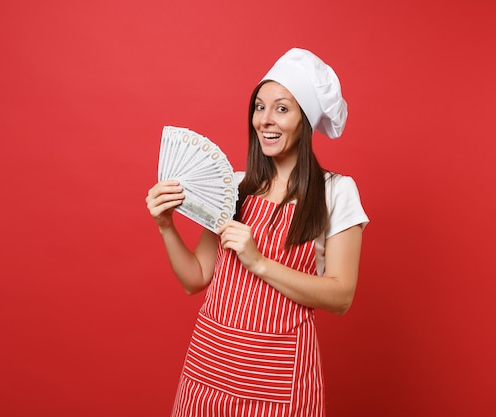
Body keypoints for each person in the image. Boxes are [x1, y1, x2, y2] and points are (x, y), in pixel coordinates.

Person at [146, 47, 369, 417]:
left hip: (278, 382)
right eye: (259, 106)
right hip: (208, 372)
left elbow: (341, 296)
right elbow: (195, 278)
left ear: (305, 121)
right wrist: (165, 226)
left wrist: (258, 262)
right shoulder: (235, 186)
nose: (265, 119)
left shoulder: (336, 192)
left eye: (282, 108)